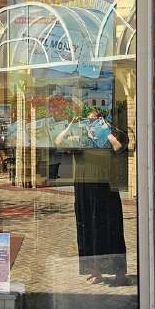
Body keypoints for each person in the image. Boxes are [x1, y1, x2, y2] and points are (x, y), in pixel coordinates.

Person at [55, 107, 128, 286]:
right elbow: (58, 142)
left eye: (95, 120)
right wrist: (72, 125)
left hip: (105, 189)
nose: (91, 124)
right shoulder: (80, 139)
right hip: (84, 190)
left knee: (111, 229)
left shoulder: (107, 137)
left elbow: (118, 146)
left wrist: (105, 130)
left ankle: (119, 273)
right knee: (88, 230)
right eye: (88, 121)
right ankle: (95, 272)